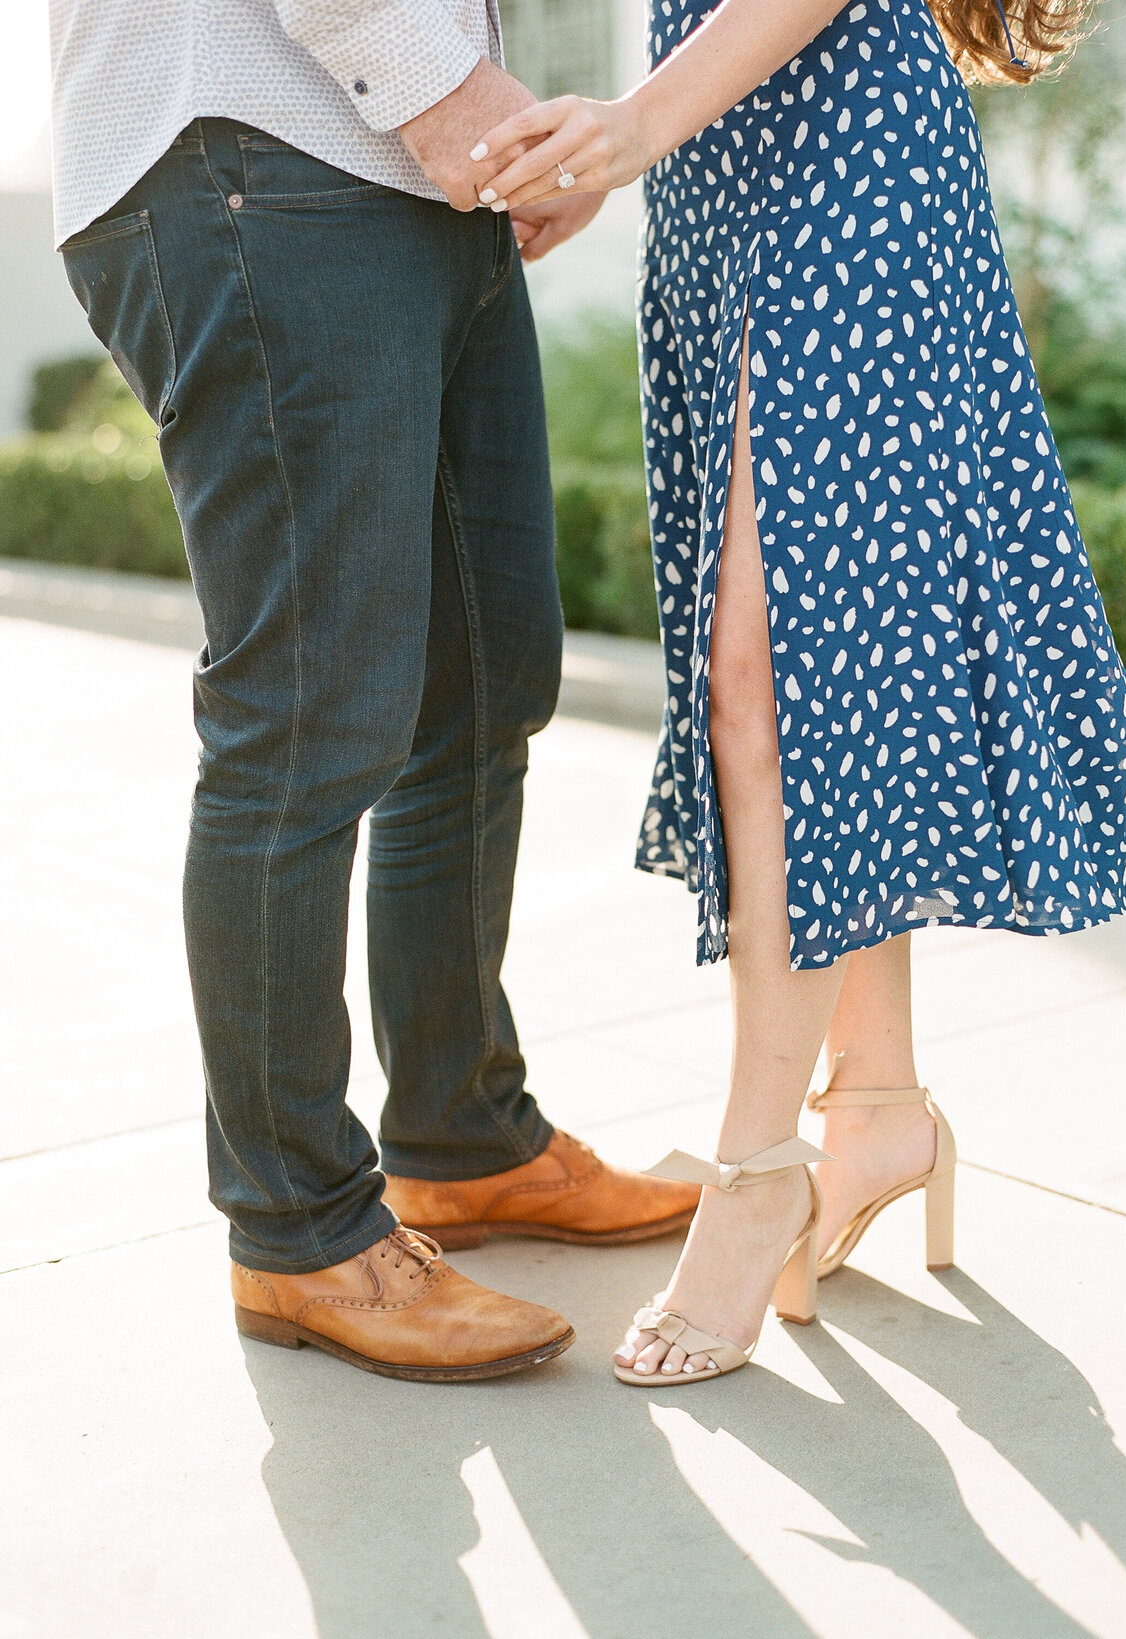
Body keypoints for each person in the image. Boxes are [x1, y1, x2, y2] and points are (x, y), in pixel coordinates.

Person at [469, 0, 1126, 1384]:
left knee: (775, 674)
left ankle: (758, 1173)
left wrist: (632, 125)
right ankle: (875, 1108)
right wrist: (620, 140)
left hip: (843, 148)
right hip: (720, 159)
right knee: (823, 672)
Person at [48, 0, 700, 1383]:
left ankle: (462, 1140)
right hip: (254, 153)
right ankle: (298, 1233)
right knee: (307, 717)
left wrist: (479, 122)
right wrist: (447, 91)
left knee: (484, 681)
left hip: (400, 175)